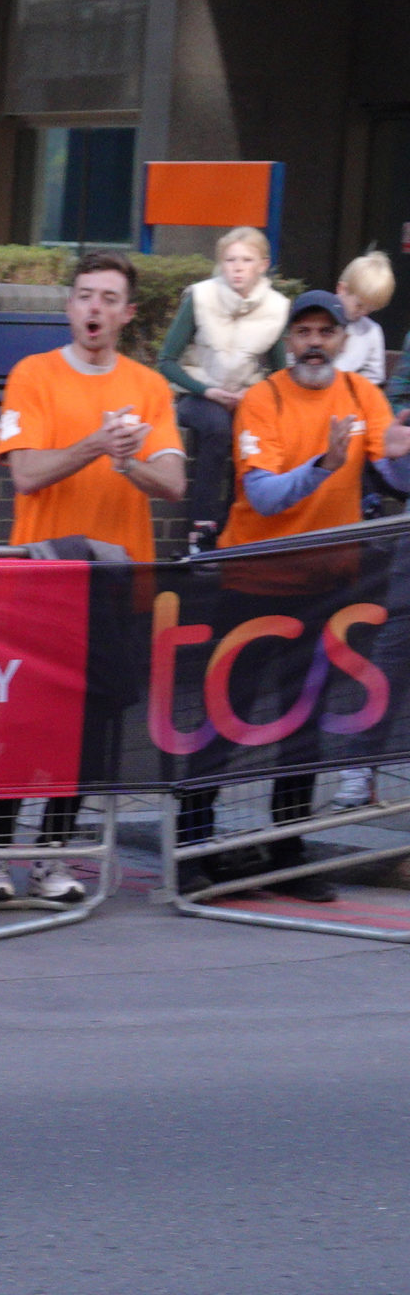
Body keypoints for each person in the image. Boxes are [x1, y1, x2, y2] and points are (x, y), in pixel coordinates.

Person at [178, 292, 410, 896]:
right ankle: (193, 846)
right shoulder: (264, 399)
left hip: (327, 585)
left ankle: (288, 849)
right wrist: (325, 464)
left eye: (324, 332)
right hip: (253, 581)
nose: (313, 342)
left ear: (340, 340)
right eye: (303, 332)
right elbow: (264, 497)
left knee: (303, 721)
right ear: (288, 344)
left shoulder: (364, 397)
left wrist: (405, 454)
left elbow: (391, 472)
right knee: (226, 716)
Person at [0, 250, 186, 902]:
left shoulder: (149, 387)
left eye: (107, 298)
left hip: (112, 590)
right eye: (83, 295)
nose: (93, 307)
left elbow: (176, 482)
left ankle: (52, 857)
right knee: (22, 729)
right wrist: (97, 445)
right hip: (40, 585)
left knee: (88, 733)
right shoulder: (32, 376)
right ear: (70, 305)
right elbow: (27, 473)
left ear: (127, 314)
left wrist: (130, 464)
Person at [157, 226, 288, 546]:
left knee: (249, 437)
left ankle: (235, 524)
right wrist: (206, 390)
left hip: (247, 396)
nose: (238, 267)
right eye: (230, 260)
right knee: (217, 428)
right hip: (198, 393)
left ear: (263, 264)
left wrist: (252, 394)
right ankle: (201, 526)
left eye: (247, 259)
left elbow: (280, 372)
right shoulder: (200, 297)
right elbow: (167, 361)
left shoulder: (277, 307)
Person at [337, 252, 395, 388]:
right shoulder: (319, 317)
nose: (363, 313)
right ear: (342, 289)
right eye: (359, 305)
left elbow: (374, 376)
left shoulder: (372, 331)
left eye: (370, 310)